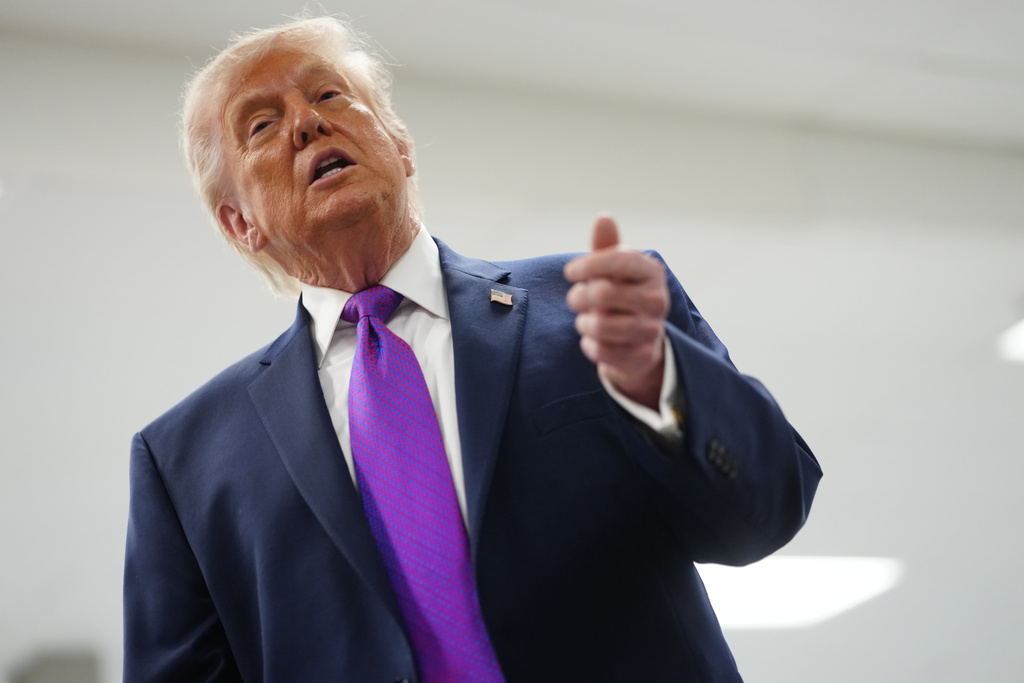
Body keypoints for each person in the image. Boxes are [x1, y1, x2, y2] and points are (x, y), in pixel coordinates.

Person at [123, 16, 821, 683]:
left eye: (329, 93)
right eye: (263, 124)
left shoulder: (597, 306)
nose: (307, 120)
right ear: (240, 222)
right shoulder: (185, 462)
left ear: (399, 145)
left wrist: (664, 384)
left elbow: (768, 509)